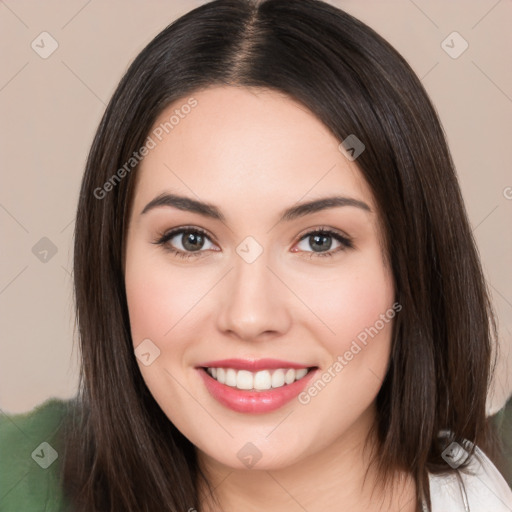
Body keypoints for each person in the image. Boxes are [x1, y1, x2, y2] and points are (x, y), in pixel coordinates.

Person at [1, 0, 511, 511]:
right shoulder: (22, 473)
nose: (249, 316)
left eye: (320, 240)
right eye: (191, 239)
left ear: (413, 266)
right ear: (113, 265)